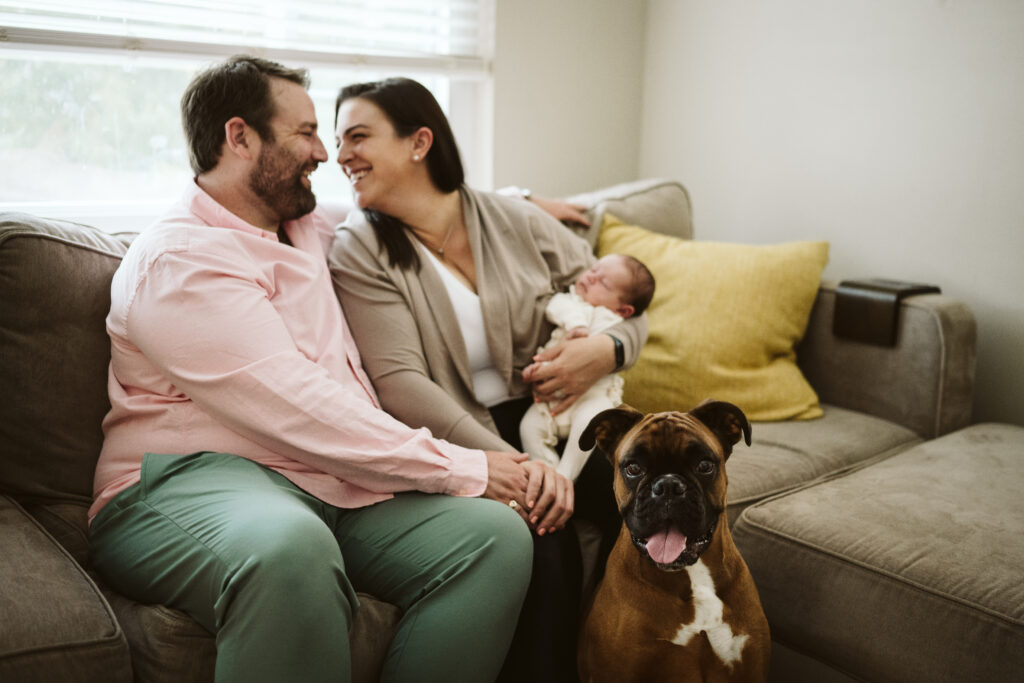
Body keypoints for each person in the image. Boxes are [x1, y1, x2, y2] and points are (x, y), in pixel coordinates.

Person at [87, 55, 549, 683]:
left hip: (327, 482)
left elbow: (415, 205)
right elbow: (295, 405)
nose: (323, 154)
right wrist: (460, 464)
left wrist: (521, 205)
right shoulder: (179, 260)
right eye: (305, 133)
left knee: (494, 538)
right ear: (240, 137)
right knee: (288, 547)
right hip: (186, 484)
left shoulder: (305, 223)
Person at [328, 77, 649, 682]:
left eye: (358, 136)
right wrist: (516, 464)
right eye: (337, 139)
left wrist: (607, 350)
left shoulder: (511, 217)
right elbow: (399, 382)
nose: (340, 154)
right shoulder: (359, 247)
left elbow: (626, 303)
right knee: (542, 532)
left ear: (420, 142)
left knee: (654, 488)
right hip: (461, 434)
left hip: (552, 413)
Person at [519, 254, 655, 481]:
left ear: (624, 310)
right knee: (529, 427)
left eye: (603, 282)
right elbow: (554, 307)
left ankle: (565, 476)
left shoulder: (613, 320)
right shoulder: (571, 301)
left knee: (590, 422)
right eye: (593, 270)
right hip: (552, 401)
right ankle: (546, 477)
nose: (590, 278)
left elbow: (638, 329)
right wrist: (538, 367)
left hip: (594, 396)